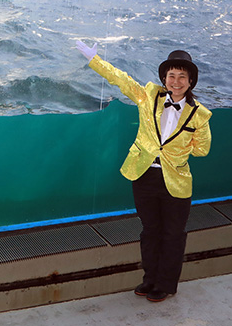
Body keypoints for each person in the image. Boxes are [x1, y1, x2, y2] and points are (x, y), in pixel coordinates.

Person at [76, 41, 211, 303]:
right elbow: (121, 80)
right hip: (144, 175)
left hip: (177, 182)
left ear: (191, 81)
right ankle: (150, 279)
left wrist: (178, 152)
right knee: (150, 230)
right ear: (164, 78)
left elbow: (202, 150)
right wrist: (94, 59)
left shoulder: (200, 115)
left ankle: (166, 284)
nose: (176, 81)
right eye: (172, 75)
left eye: (182, 76)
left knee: (173, 234)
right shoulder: (149, 95)